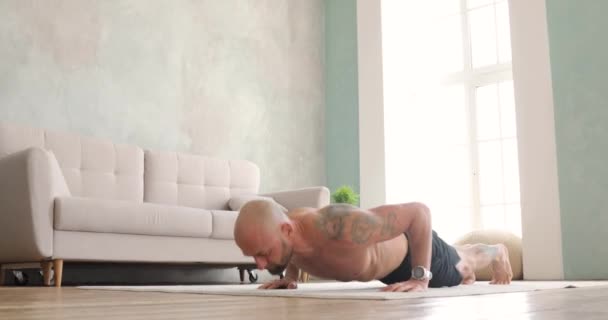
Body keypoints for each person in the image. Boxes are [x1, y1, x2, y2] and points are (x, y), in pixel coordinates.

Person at [233, 200, 513, 292]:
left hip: (408, 258)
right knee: (460, 265)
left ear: (286, 230)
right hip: (385, 273)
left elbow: (419, 214)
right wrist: (290, 278)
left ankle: (495, 251)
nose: (259, 265)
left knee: (463, 264)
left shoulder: (339, 225)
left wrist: (419, 277)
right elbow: (293, 251)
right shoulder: (289, 234)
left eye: (262, 254)